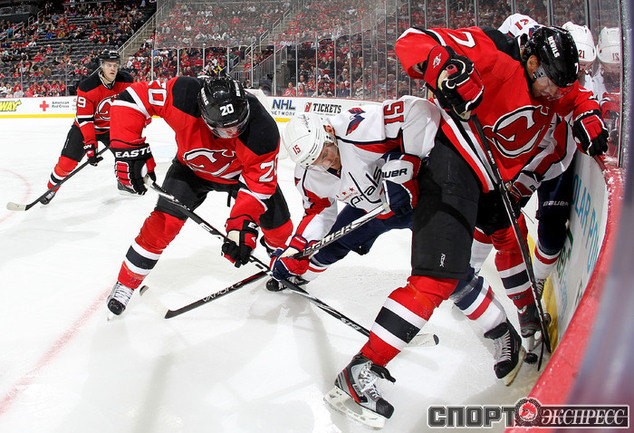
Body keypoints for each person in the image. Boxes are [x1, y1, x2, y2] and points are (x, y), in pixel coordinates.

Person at [324, 24, 608, 427]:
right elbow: (411, 41)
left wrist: (588, 113)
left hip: (490, 179)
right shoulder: (496, 51)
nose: (554, 93)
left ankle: (526, 316)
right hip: (452, 162)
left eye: (560, 86)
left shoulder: (554, 86)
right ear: (532, 62)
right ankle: (361, 369)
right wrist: (445, 68)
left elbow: (575, 96)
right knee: (438, 278)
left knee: (510, 236)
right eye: (549, 82)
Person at [272, 105, 527, 389]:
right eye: (316, 162)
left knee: (448, 272)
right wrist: (296, 250)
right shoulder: (308, 174)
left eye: (325, 152)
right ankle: (298, 275)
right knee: (328, 246)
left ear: (329, 132)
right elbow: (319, 211)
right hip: (373, 209)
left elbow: (419, 111)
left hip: (417, 196)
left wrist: (405, 164)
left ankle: (501, 329)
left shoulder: (358, 129)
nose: (326, 163)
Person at [105, 76, 293, 315]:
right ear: (204, 116)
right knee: (161, 226)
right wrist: (129, 149)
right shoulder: (183, 94)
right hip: (190, 172)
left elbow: (258, 188)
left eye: (238, 125)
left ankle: (281, 262)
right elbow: (131, 99)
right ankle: (126, 283)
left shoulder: (263, 130)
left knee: (281, 230)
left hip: (241, 178)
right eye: (224, 128)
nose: (232, 132)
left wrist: (241, 226)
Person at [40, 49, 133, 205]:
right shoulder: (87, 86)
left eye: (115, 65)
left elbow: (134, 102)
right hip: (84, 129)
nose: (112, 69)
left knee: (128, 155)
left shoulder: (126, 80)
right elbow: (85, 119)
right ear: (102, 66)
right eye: (109, 65)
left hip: (111, 128)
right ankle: (51, 189)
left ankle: (123, 181)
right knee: (66, 164)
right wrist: (90, 145)